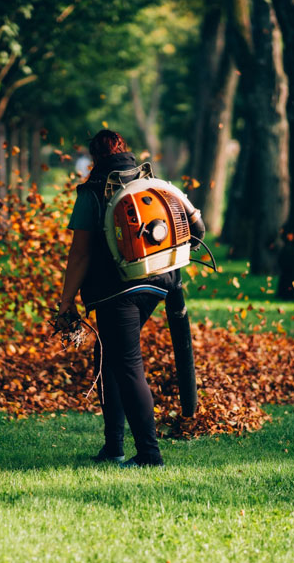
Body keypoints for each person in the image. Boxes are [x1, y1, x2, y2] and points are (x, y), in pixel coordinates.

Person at [58, 130, 176, 468]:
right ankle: (113, 447)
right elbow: (194, 228)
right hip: (157, 284)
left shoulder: (92, 192)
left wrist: (67, 302)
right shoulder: (150, 183)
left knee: (127, 365)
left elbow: (79, 254)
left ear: (95, 158)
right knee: (107, 355)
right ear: (124, 150)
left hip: (117, 291)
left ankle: (150, 455)